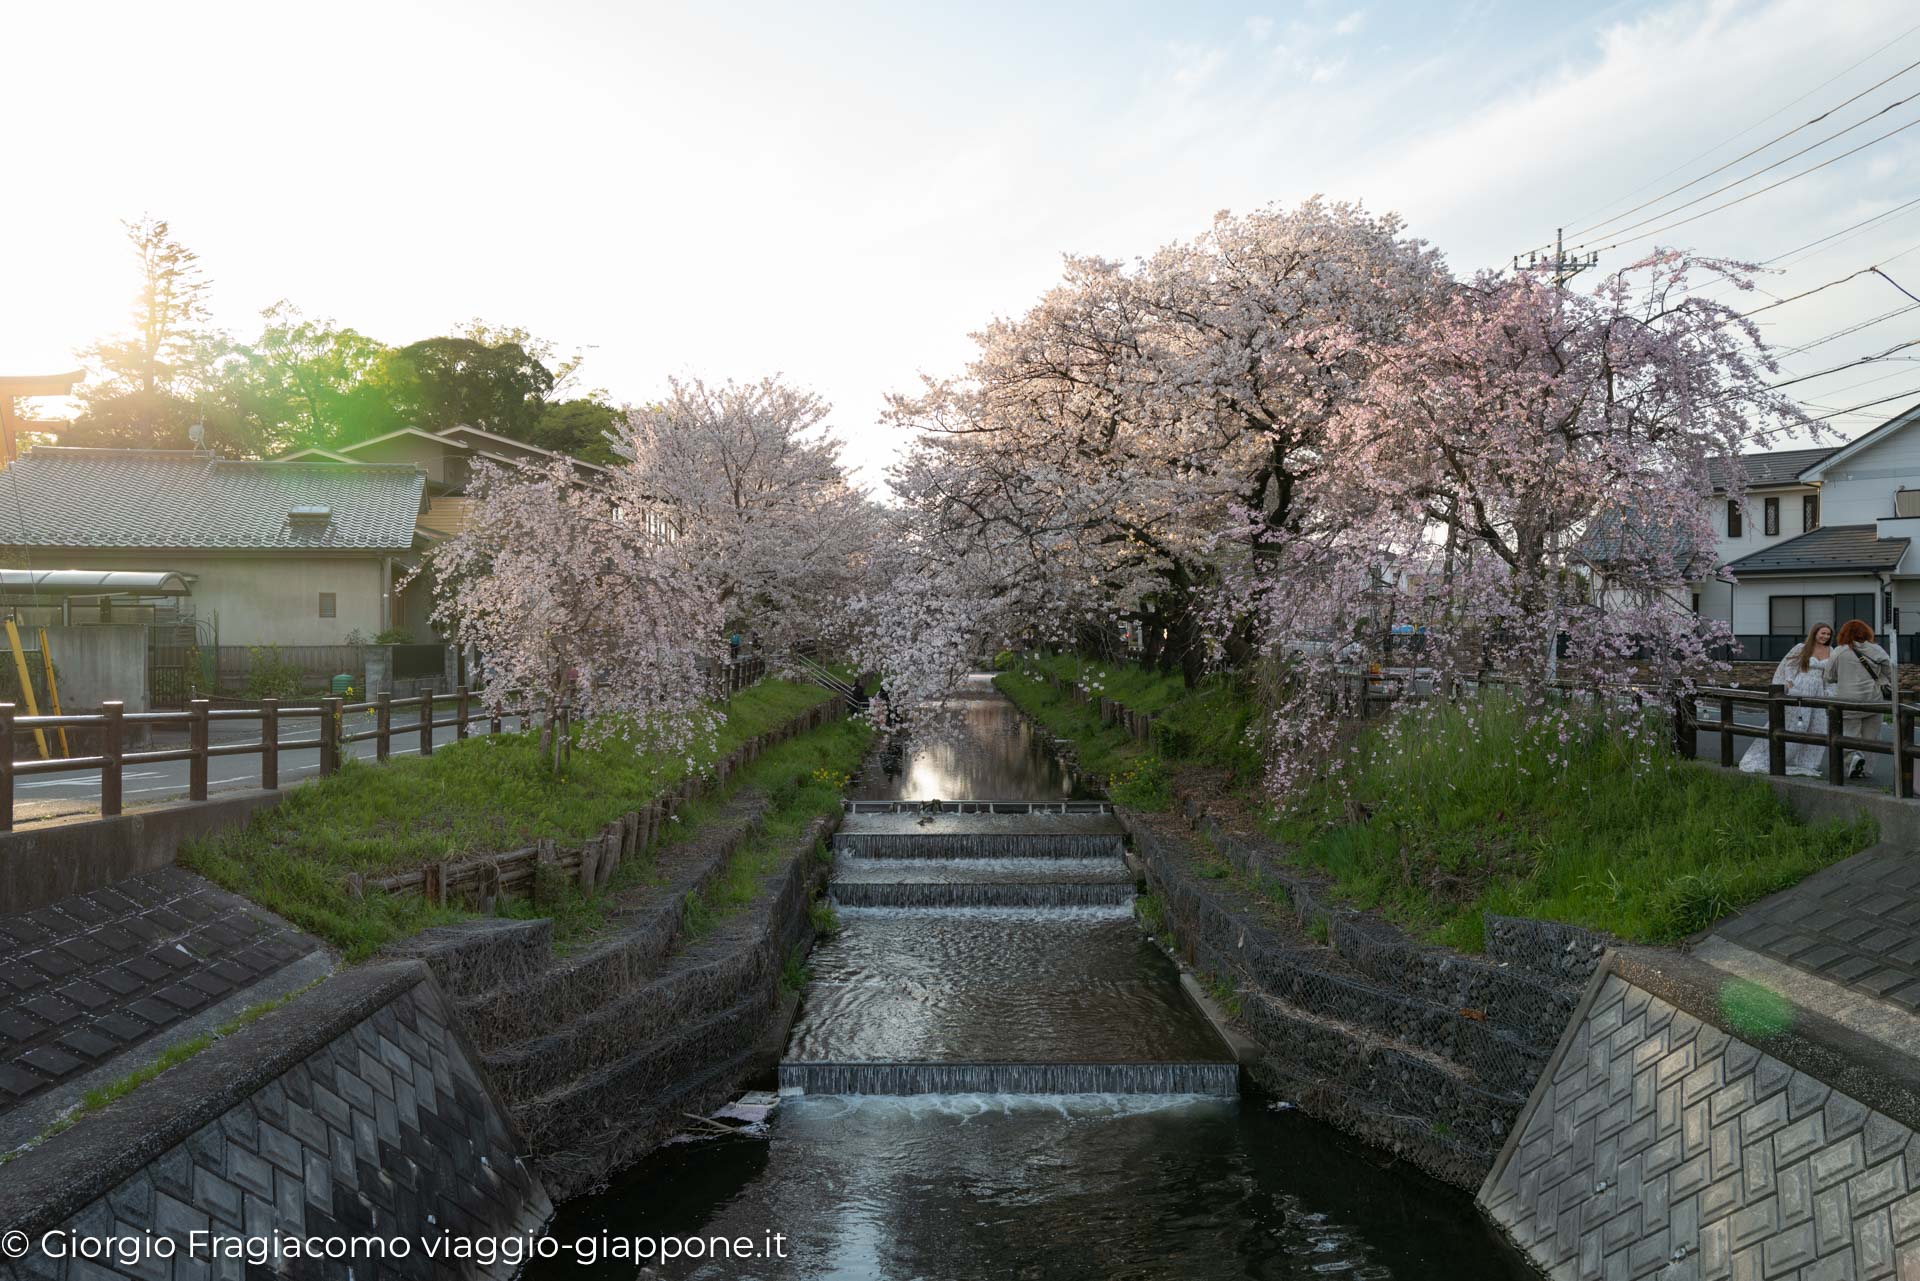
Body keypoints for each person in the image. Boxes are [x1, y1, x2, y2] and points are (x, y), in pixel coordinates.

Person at [1740, 623, 1836, 776]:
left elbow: (1830, 675)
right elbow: (1788, 666)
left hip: (1818, 690)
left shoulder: (1831, 651)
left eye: (1828, 634)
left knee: (1817, 726)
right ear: (1815, 633)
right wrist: (1789, 684)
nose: (1825, 637)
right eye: (1822, 633)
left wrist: (1829, 692)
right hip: (1801, 686)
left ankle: (1807, 762)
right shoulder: (1801, 648)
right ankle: (1778, 756)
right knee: (1797, 724)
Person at [1831, 619, 1893, 780]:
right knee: (1871, 737)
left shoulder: (1839, 651)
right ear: (1867, 632)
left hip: (1847, 700)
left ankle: (1853, 759)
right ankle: (1866, 770)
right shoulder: (1876, 650)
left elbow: (1829, 676)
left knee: (1848, 734)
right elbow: (1891, 672)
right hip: (1873, 700)